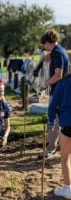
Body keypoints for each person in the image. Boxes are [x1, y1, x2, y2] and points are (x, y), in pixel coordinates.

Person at [39, 29, 69, 158]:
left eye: (44, 44)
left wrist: (44, 84)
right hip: (63, 90)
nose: (44, 47)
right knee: (59, 120)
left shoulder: (56, 53)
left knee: (54, 120)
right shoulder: (62, 51)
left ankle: (50, 148)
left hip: (58, 91)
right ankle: (53, 145)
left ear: (47, 42)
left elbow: (58, 75)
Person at [48, 74, 71, 199]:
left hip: (68, 124)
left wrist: (51, 120)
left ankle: (68, 188)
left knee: (65, 158)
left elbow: (53, 105)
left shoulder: (64, 82)